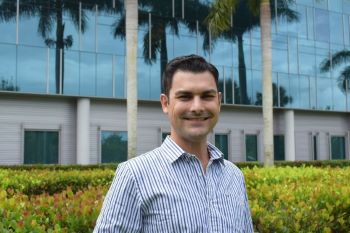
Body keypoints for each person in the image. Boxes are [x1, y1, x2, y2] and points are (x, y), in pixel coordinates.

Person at [94, 54, 254, 232]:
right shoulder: (134, 176)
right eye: (185, 97)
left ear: (219, 101)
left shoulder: (234, 176)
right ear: (165, 103)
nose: (197, 107)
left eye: (207, 96)